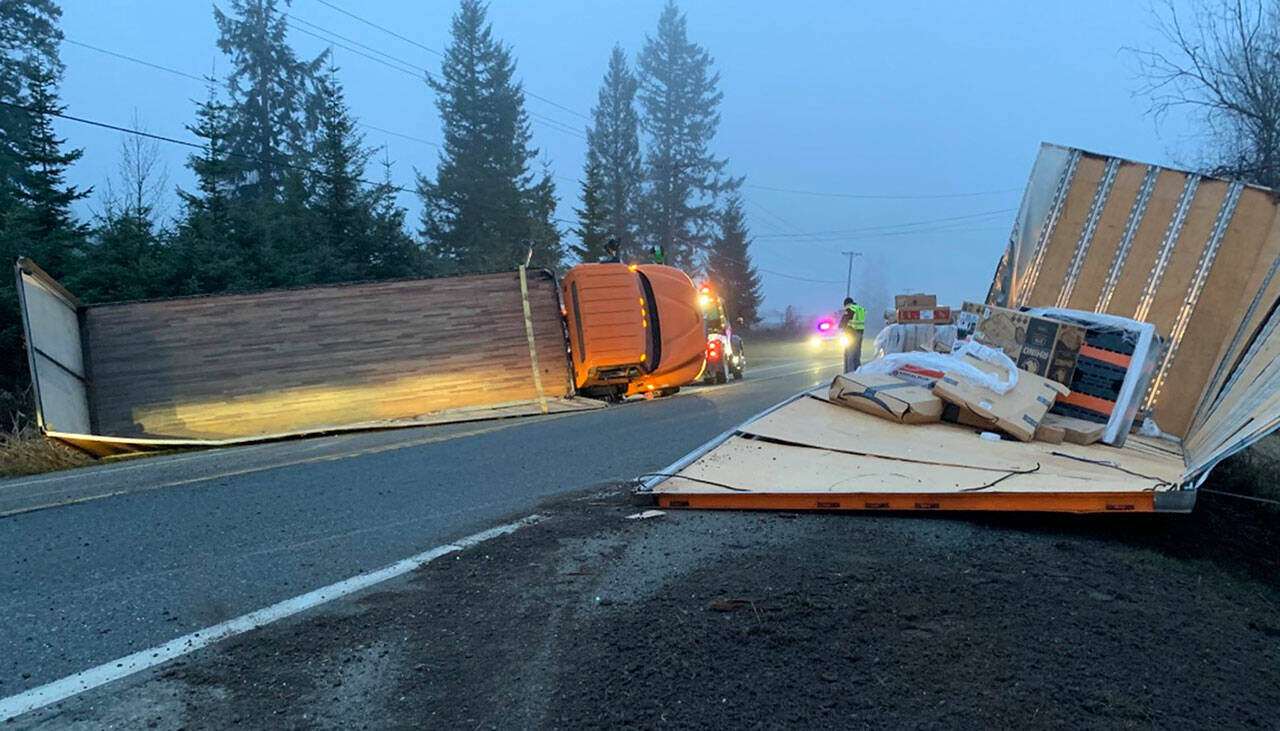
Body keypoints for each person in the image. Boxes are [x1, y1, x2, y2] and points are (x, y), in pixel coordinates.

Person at [838, 296, 866, 372]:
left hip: (851, 334)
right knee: (857, 355)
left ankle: (849, 373)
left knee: (849, 354)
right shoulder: (860, 309)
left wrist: (840, 326)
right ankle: (857, 371)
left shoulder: (851, 308)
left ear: (847, 304)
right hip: (860, 333)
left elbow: (845, 320)